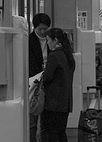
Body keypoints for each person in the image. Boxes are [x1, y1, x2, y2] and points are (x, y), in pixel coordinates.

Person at [40, 28, 75, 142]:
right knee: (60, 133)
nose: (47, 43)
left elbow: (47, 77)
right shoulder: (68, 55)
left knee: (51, 134)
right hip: (65, 102)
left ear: (55, 40)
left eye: (48, 40)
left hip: (53, 103)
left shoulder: (54, 56)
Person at [29, 13, 51, 142]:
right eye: (40, 29)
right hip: (34, 82)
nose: (43, 32)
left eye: (45, 29)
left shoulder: (52, 39)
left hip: (48, 81)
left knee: (47, 119)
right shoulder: (29, 41)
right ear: (34, 27)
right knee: (32, 116)